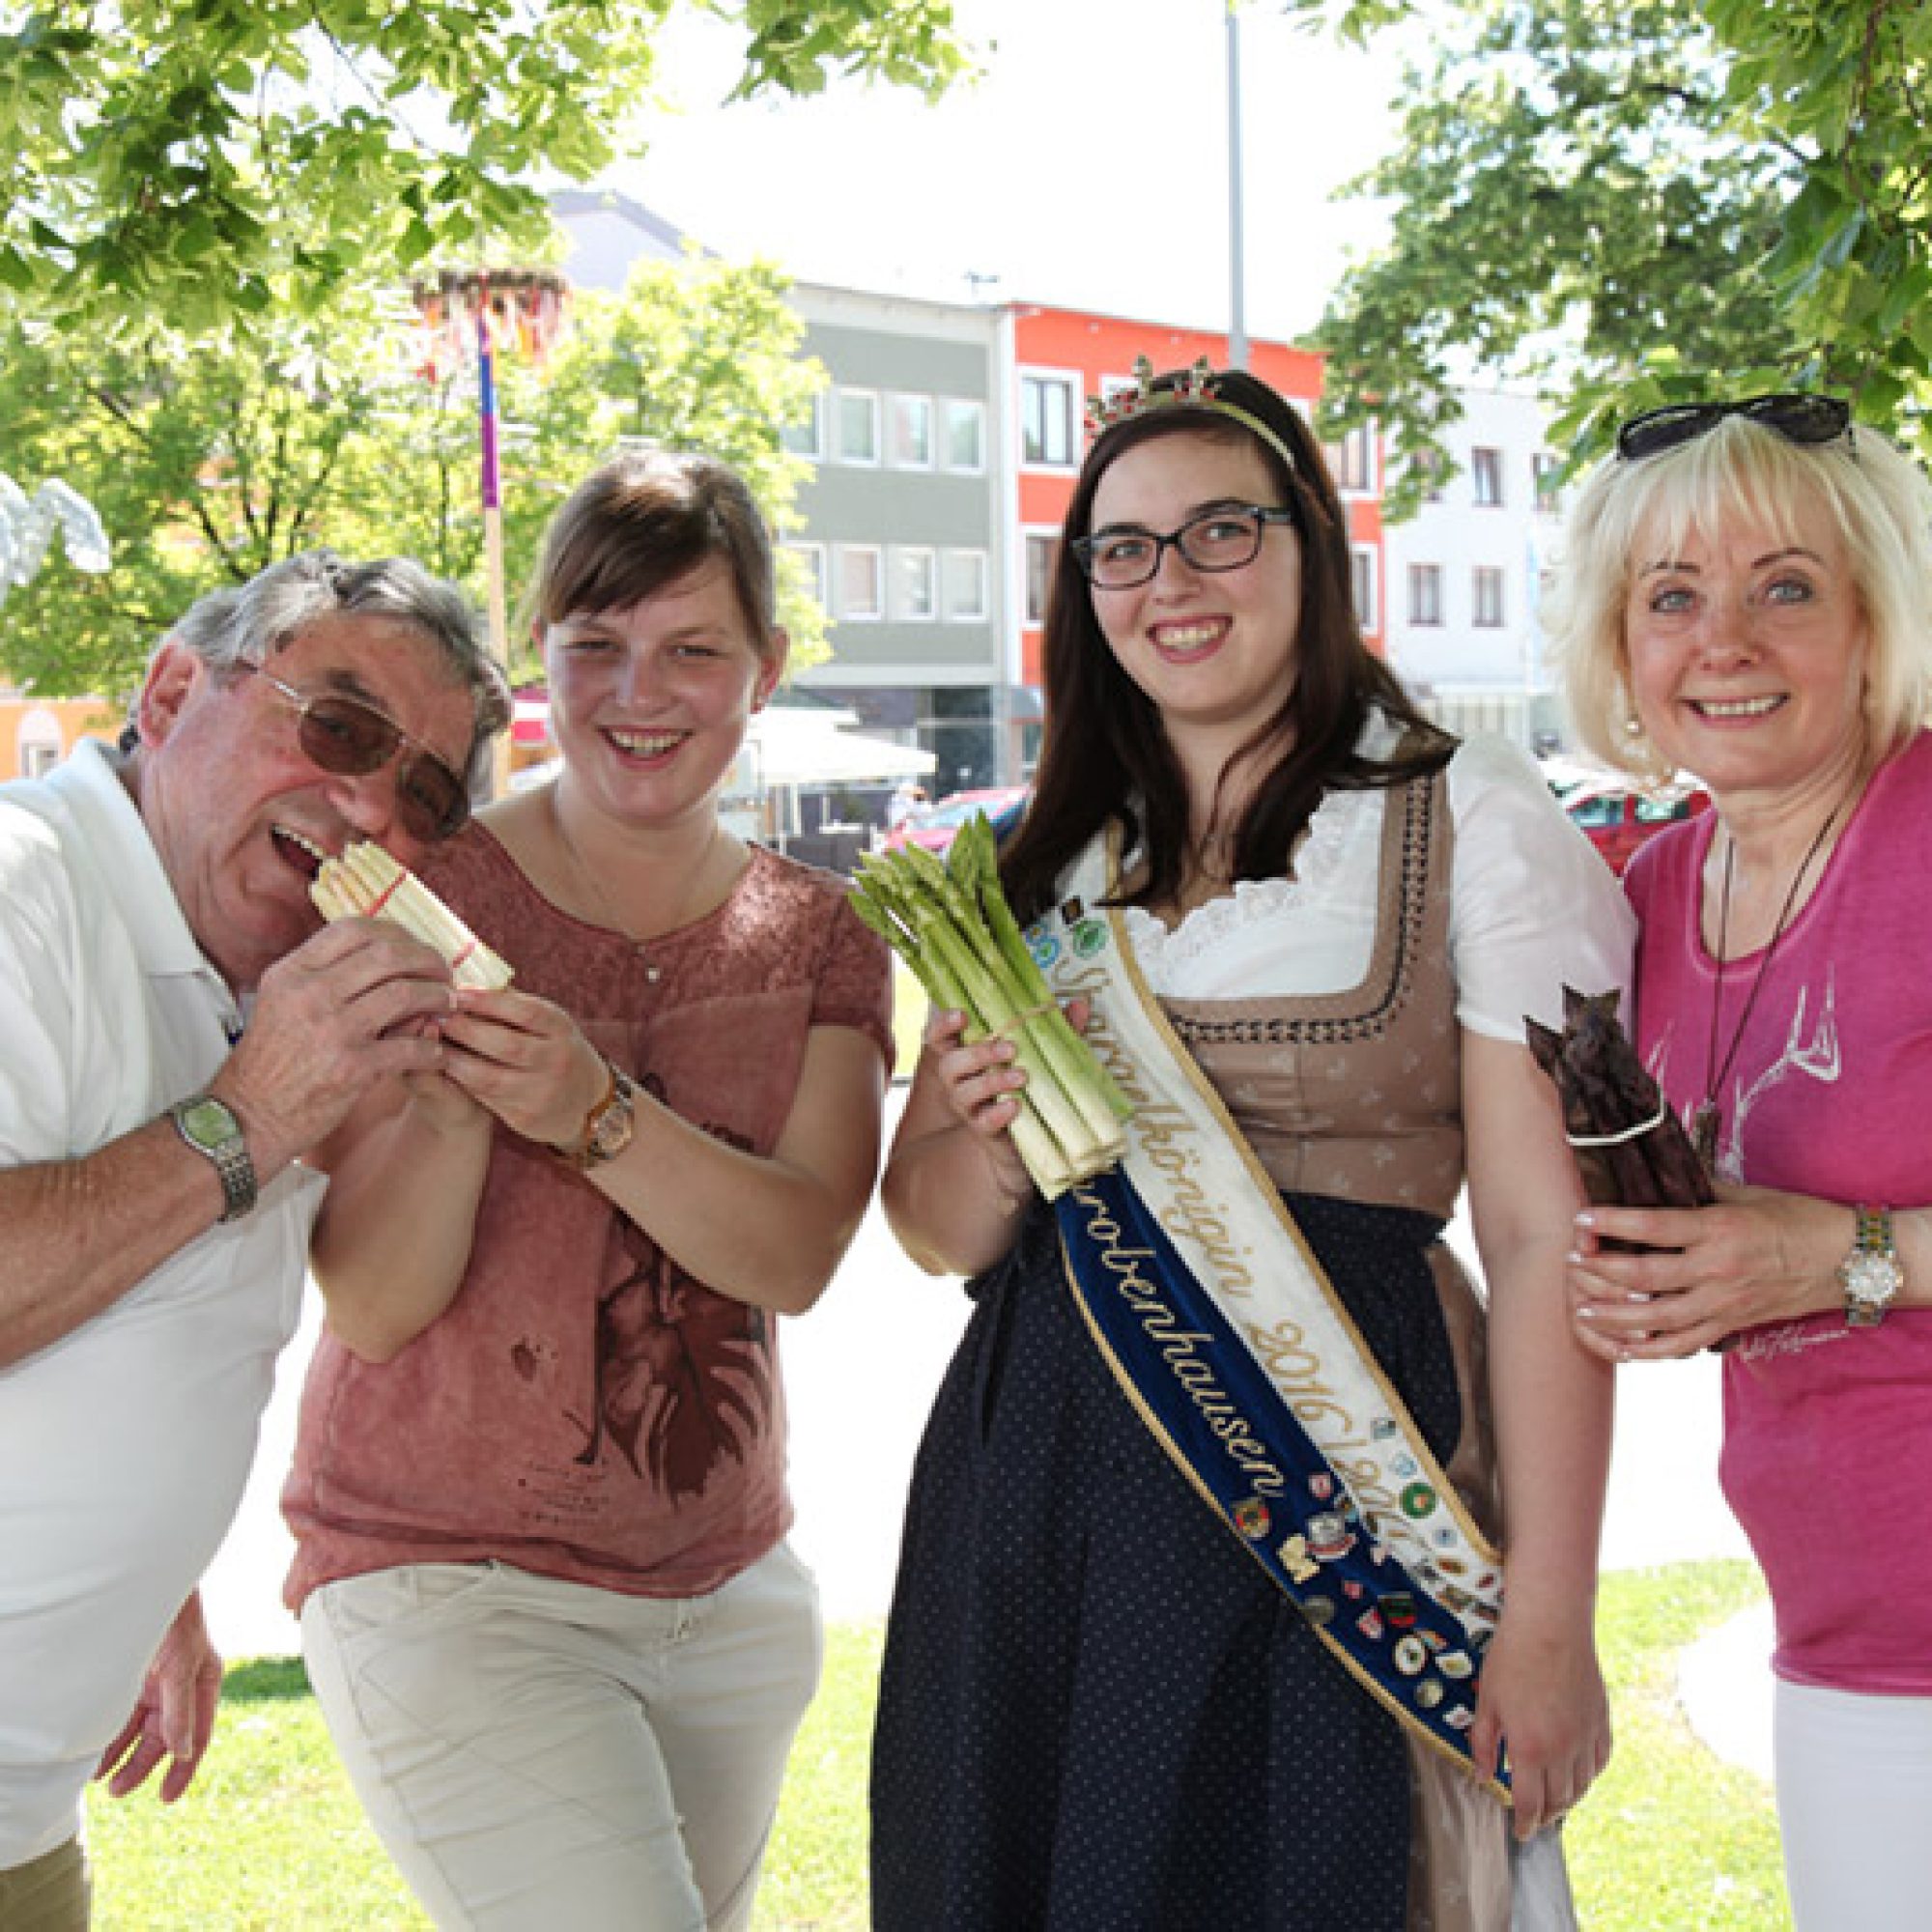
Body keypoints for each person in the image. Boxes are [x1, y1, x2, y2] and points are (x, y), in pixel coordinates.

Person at [868, 361, 1632, 1929]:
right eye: (1126, 550)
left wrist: (1551, 1611)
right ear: (1085, 592)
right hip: (1045, 1483)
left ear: (1311, 552)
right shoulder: (1045, 852)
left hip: (1333, 1478)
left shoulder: (1465, 813)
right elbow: (940, 1229)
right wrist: (983, 1129)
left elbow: (1547, 1242)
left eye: (1224, 530)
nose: (1174, 582)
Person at [282, 449, 893, 1932]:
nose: (643, 691)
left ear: (767, 669)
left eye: (695, 650)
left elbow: (797, 1252)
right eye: (597, 646)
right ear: (541, 656)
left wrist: (596, 1113)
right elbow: (371, 1299)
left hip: (727, 1589)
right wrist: (446, 1101)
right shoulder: (431, 890)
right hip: (449, 1581)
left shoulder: (817, 933)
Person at [0, 551, 507, 1927]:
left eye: (426, 795)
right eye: (338, 727)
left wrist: (149, 1585)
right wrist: (254, 1114)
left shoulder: (241, 978)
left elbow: (203, 1313)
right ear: (171, 693)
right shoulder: (21, 889)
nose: (369, 811)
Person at [1552, 393, 1932, 1931]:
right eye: (1673, 599)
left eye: (1787, 585)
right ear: (1621, 651)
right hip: (1844, 1639)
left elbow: (1812, 1244)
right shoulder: (1639, 901)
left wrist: (1841, 1255)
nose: (1727, 640)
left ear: (1872, 615)